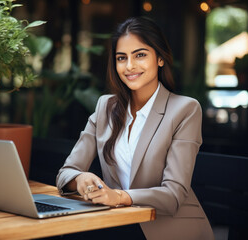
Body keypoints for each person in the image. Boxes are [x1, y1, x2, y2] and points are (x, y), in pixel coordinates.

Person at [56, 16, 214, 240]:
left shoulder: (185, 109)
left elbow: (173, 194)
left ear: (160, 58)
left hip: (168, 227)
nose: (129, 66)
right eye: (122, 58)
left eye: (140, 55)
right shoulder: (105, 107)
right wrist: (80, 178)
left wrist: (119, 196)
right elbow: (66, 172)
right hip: (119, 223)